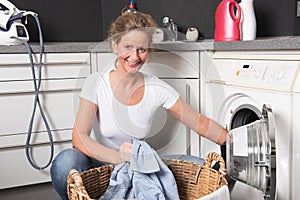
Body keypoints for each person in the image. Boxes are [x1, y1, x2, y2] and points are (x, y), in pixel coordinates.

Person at [50, 11, 228, 200]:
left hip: (136, 164)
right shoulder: (96, 82)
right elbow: (79, 137)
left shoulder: (156, 87)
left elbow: (200, 123)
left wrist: (234, 142)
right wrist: (117, 157)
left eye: (142, 49)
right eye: (127, 47)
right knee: (65, 163)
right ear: (115, 45)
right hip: (98, 165)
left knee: (203, 166)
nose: (134, 56)